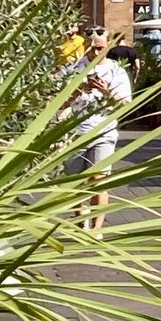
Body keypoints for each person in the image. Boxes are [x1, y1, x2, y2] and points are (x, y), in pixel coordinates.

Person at [67, 27, 132, 230]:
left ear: (109, 46)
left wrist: (107, 92)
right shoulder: (74, 69)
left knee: (99, 179)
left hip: (104, 131)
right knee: (75, 180)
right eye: (92, 48)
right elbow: (57, 103)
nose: (96, 52)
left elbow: (125, 105)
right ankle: (80, 216)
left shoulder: (117, 71)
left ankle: (96, 230)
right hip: (75, 131)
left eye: (100, 48)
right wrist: (79, 90)